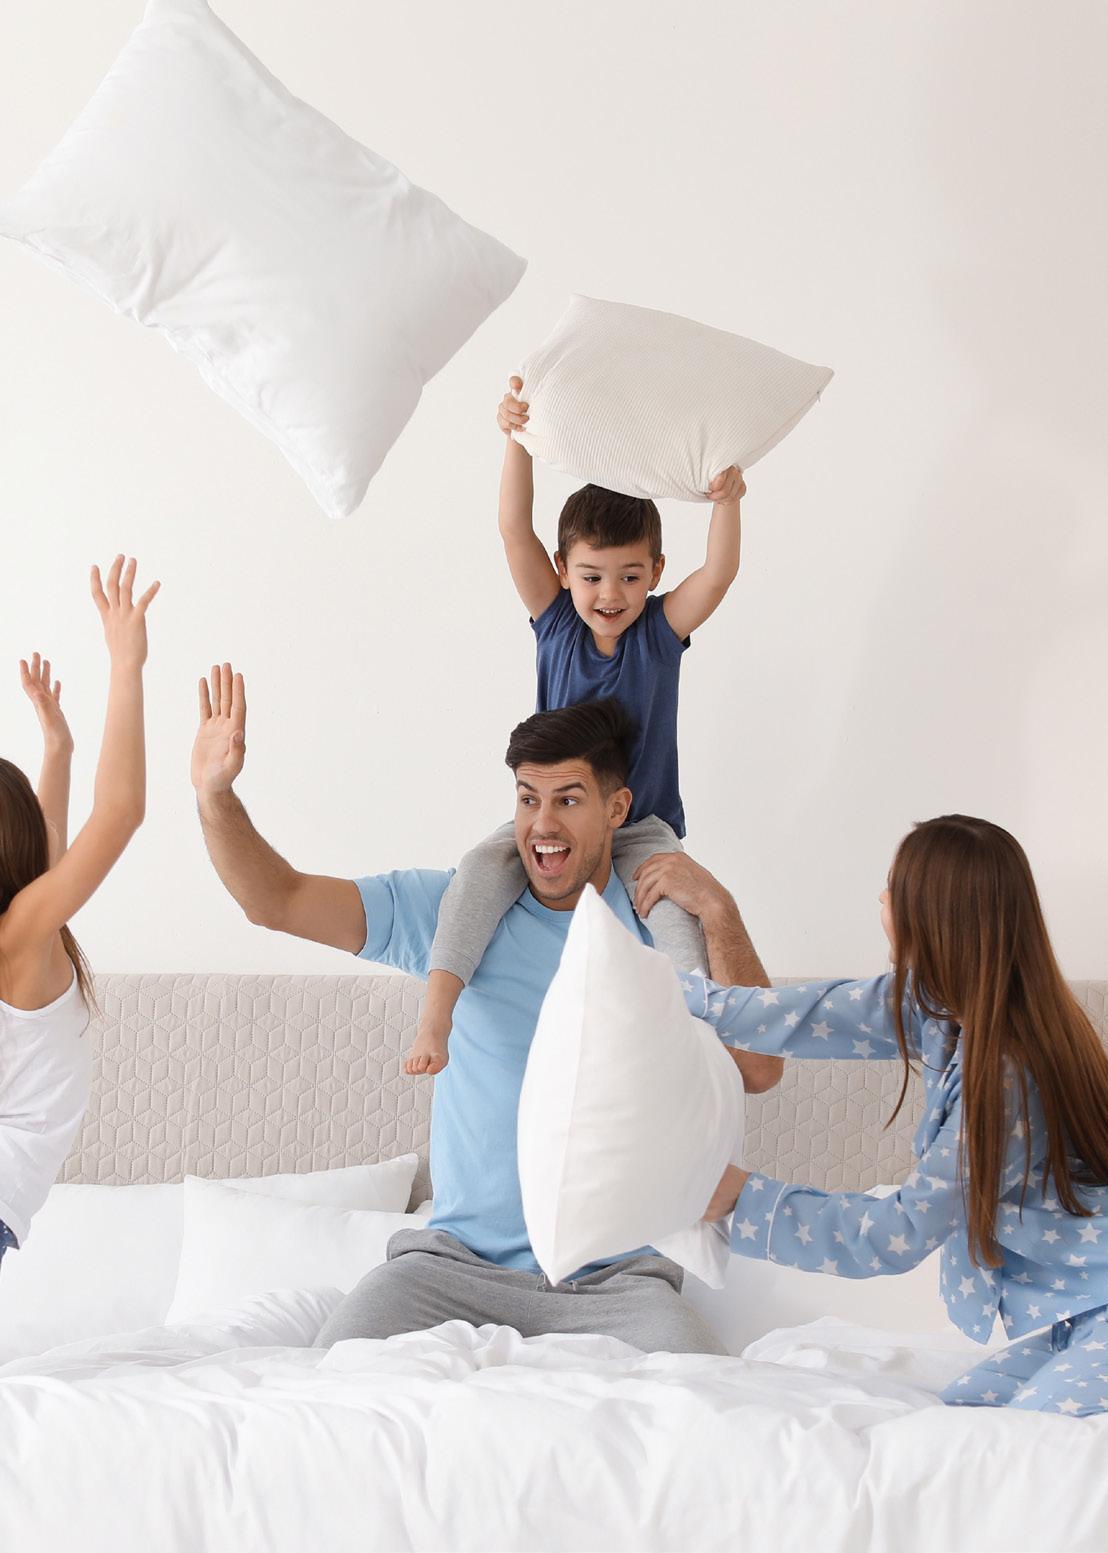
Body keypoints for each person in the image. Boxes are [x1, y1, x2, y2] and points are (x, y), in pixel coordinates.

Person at [190, 673, 781, 1352]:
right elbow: (277, 900)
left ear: (617, 809)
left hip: (618, 1281)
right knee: (337, 1374)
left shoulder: (664, 921)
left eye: (568, 799)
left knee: (700, 1394)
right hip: (452, 1270)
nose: (543, 824)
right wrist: (214, 796)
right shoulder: (455, 916)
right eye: (529, 798)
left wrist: (719, 910)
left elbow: (760, 1068)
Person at [682, 815, 1108, 1416]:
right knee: (963, 1415)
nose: (882, 901)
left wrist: (741, 1200)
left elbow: (895, 1235)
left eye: (894, 888)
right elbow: (794, 1015)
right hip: (1103, 1316)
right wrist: (666, 989)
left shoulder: (1007, 1074)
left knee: (1015, 1441)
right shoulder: (935, 1006)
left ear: (933, 915)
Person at [404, 376, 747, 1078]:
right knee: (476, 873)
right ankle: (436, 1016)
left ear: (656, 571)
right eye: (591, 576)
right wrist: (516, 440)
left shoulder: (659, 633)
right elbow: (513, 529)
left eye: (629, 576)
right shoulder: (555, 621)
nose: (610, 594)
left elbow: (718, 573)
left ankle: (697, 1041)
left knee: (673, 913)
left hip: (641, 823)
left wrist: (727, 503)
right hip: (556, 813)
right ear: (563, 570)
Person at [0, 557, 160, 1268]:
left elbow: (111, 817)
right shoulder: (25, 933)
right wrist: (60, 747)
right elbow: (63, 839)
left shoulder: (21, 934)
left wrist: (125, 669)